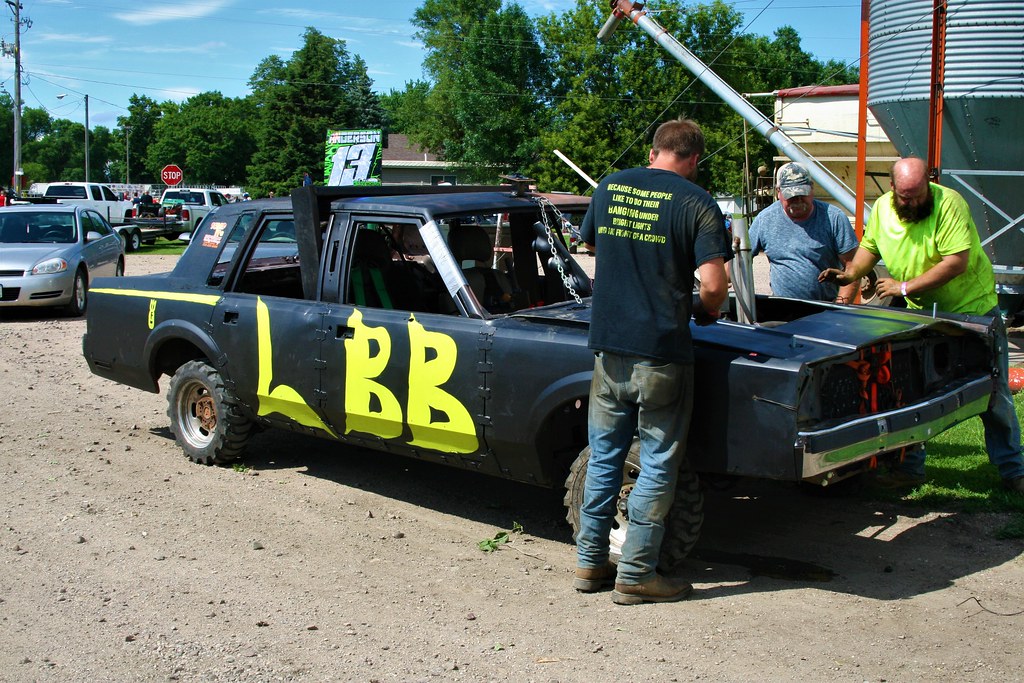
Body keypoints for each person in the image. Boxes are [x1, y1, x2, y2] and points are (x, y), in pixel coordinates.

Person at [574, 118, 730, 604]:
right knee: (659, 462)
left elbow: (592, 243)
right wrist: (704, 310)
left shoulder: (611, 186)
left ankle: (589, 562)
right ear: (694, 159)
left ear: (654, 150)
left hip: (608, 348)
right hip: (661, 352)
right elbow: (713, 286)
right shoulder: (696, 202)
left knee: (604, 457)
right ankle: (638, 572)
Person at [820, 156, 1024, 493]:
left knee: (994, 392)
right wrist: (851, 273)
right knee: (911, 390)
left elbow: (956, 263)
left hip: (972, 311)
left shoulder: (949, 205)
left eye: (917, 194)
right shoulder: (884, 208)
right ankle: (910, 470)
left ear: (928, 184)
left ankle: (1013, 470)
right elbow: (869, 248)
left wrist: (904, 287)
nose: (911, 202)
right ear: (892, 188)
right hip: (921, 313)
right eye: (905, 196)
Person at [748, 162, 860, 302]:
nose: (798, 200)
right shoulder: (765, 219)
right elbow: (739, 261)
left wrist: (840, 309)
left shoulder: (834, 218)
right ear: (778, 192)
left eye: (802, 194)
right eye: (791, 196)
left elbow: (853, 267)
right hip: (783, 312)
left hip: (825, 311)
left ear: (812, 189)